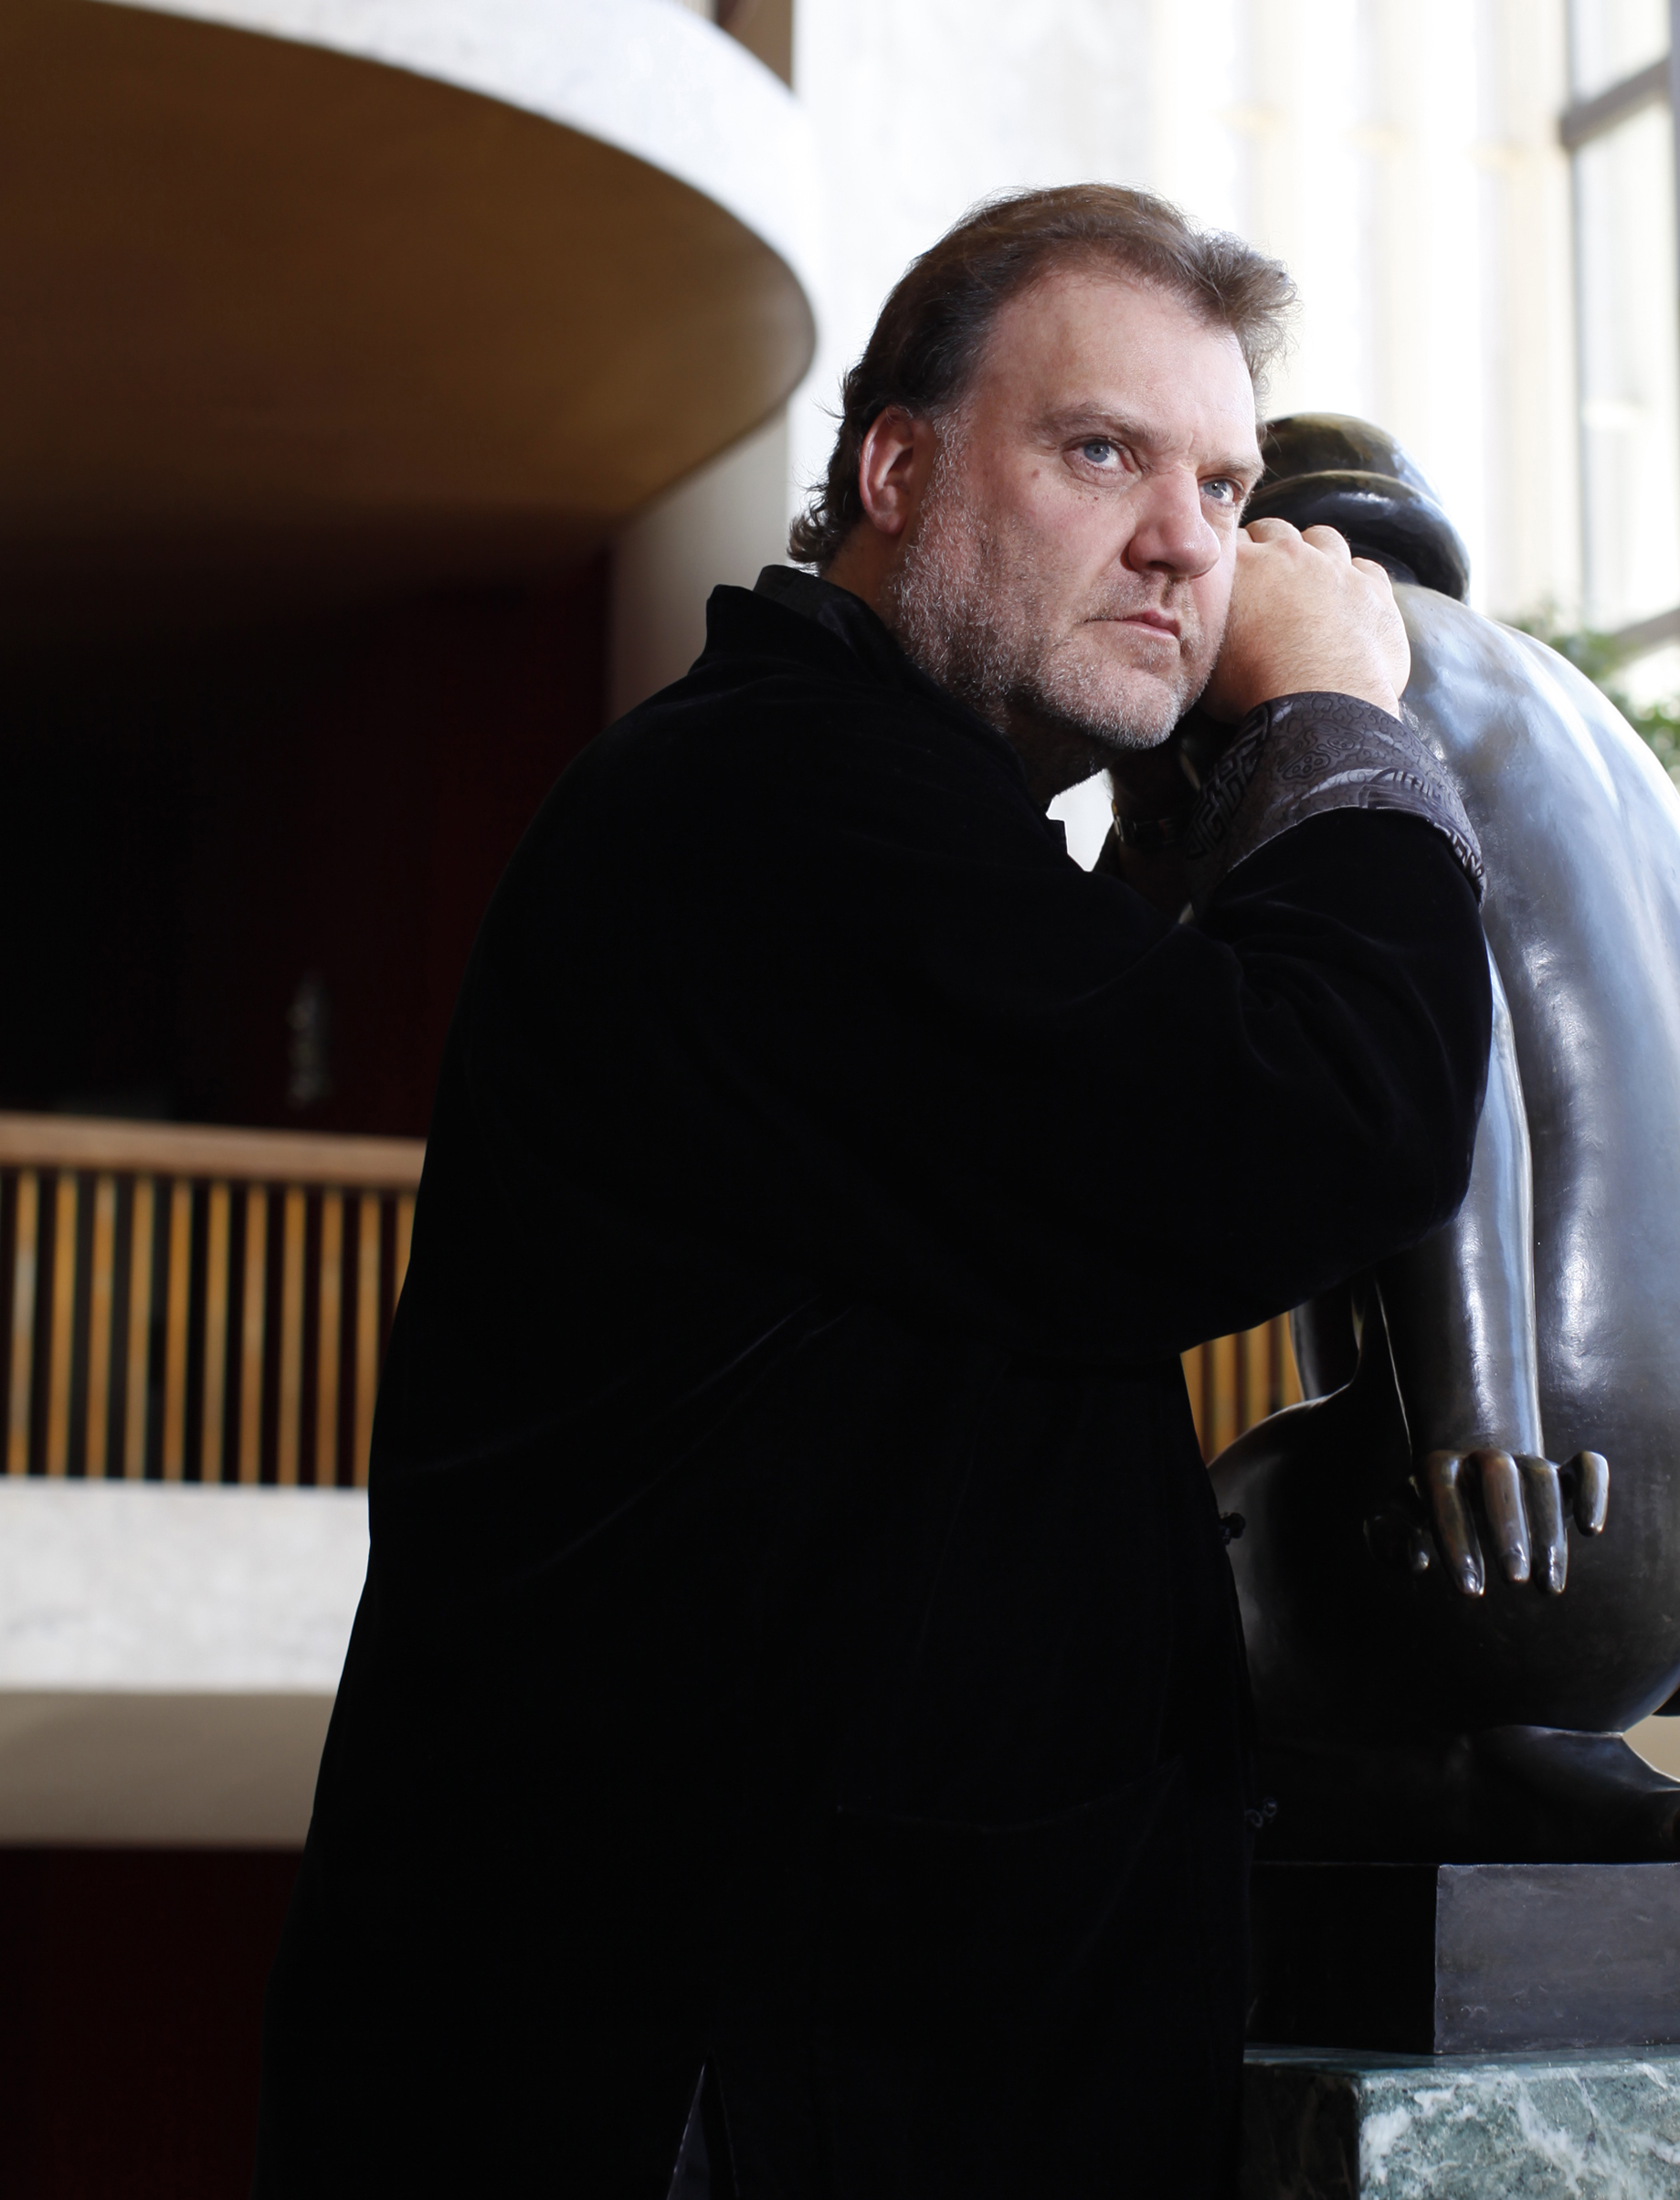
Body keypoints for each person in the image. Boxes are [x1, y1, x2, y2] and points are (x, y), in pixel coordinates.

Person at [252, 184, 1494, 2200]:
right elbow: (1307, 1124)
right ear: (895, 468)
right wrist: (1341, 719)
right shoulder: (766, 801)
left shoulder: (887, 827)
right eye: (1100, 450)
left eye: (1225, 479)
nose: (1185, 536)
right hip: (706, 2102)